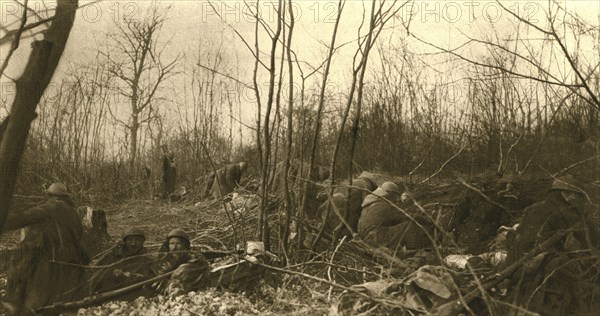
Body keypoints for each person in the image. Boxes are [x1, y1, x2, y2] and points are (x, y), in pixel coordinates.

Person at [506, 175, 598, 315]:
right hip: (546, 270)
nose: (576, 199)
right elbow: (594, 240)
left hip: (516, 269)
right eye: (575, 195)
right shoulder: (567, 213)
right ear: (565, 194)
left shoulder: (533, 209)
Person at [3, 183, 89, 314]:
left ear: (50, 195)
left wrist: (4, 221)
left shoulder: (52, 207)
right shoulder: (73, 212)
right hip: (73, 257)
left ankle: (15, 303)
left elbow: (26, 217)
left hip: (53, 256)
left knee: (20, 263)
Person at [357, 181, 432, 250]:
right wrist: (427, 221)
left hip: (365, 237)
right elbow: (407, 217)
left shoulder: (371, 203)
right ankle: (412, 250)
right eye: (395, 196)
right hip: (376, 239)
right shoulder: (385, 205)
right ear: (390, 194)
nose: (396, 199)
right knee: (407, 226)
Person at [88, 227, 153, 297]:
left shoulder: (146, 258)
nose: (133, 244)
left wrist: (130, 275)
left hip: (133, 290)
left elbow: (150, 276)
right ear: (124, 242)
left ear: (142, 243)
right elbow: (99, 270)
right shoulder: (114, 254)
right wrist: (112, 271)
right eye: (130, 240)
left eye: (138, 240)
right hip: (110, 290)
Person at [317, 171, 377, 239]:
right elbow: (367, 210)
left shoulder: (347, 183)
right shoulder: (366, 186)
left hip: (325, 215)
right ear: (371, 183)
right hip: (343, 224)